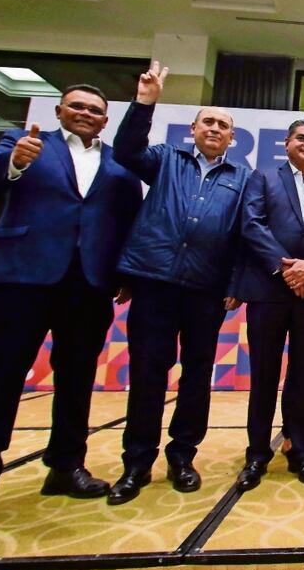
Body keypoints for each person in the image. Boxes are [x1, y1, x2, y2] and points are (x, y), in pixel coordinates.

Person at [0, 85, 142, 538]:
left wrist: (126, 272)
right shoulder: (23, 142)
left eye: (95, 109)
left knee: (75, 382)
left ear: (105, 120)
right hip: (18, 279)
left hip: (88, 284)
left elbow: (129, 222)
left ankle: (66, 467)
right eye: (78, 107)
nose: (86, 114)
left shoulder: (119, 165)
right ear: (59, 110)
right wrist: (14, 164)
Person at [105, 62, 249, 505]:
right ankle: (137, 462)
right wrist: (145, 102)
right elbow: (126, 151)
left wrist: (235, 282)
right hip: (155, 283)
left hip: (206, 291)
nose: (215, 129)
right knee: (149, 373)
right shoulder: (166, 159)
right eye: (208, 121)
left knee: (196, 378)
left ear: (231, 137)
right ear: (193, 128)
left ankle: (183, 455)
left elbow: (245, 235)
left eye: (223, 125)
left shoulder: (241, 178)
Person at [232, 119, 304, 489]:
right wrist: (288, 271)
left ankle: (301, 451)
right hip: (269, 291)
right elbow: (252, 225)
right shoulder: (262, 178)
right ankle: (256, 455)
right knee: (264, 376)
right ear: (287, 143)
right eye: (302, 138)